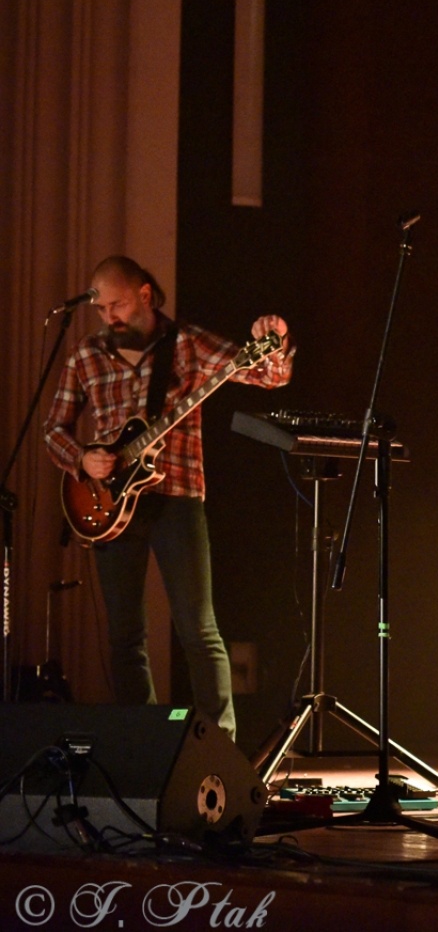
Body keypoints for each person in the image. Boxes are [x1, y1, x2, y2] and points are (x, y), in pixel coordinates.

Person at [42, 256, 293, 740]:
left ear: (146, 295)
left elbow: (269, 376)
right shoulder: (86, 354)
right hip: (107, 507)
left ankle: (218, 745)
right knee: (125, 637)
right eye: (102, 308)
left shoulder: (189, 345)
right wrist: (83, 459)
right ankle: (144, 743)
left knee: (199, 630)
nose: (110, 316)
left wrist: (277, 341)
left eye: (117, 304)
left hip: (177, 497)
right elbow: (54, 429)